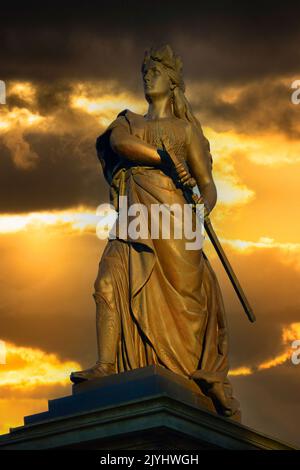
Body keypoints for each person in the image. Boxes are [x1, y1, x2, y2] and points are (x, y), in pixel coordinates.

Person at [70, 44, 240, 418]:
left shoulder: (186, 131)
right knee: (106, 285)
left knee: (184, 305)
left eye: (155, 71)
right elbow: (120, 145)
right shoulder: (129, 122)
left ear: (173, 82)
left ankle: (182, 377)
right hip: (134, 218)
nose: (147, 76)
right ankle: (106, 366)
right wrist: (162, 158)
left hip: (174, 223)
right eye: (145, 71)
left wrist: (203, 206)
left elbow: (207, 186)